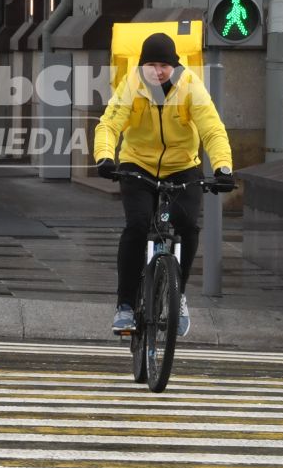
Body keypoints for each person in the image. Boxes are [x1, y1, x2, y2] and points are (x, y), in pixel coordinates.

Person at [93, 32, 235, 339]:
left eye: (164, 66)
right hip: (138, 165)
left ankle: (177, 294)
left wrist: (223, 166)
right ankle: (126, 307)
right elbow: (110, 123)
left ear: (175, 66)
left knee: (187, 226)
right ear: (142, 65)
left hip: (183, 167)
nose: (157, 72)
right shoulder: (132, 86)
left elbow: (212, 128)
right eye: (151, 65)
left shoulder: (190, 88)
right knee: (138, 224)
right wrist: (105, 157)